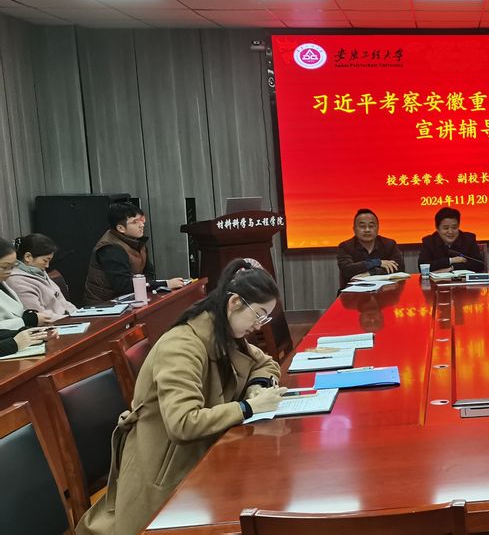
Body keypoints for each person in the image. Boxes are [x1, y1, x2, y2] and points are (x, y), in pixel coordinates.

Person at [76, 259, 287, 535]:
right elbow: (183, 423)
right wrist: (247, 407)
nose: (259, 325)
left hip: (205, 451)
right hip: (167, 469)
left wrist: (256, 387)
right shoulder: (182, 345)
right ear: (234, 303)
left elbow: (265, 363)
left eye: (265, 318)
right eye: (258, 314)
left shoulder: (224, 332)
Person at [84, 202, 184, 304]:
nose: (142, 225)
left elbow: (149, 273)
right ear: (121, 228)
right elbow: (123, 285)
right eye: (135, 222)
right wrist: (165, 284)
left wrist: (153, 286)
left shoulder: (136, 242)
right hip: (105, 305)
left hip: (129, 298)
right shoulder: (110, 248)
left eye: (141, 220)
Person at [6, 234, 77, 319]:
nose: (47, 266)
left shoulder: (39, 271)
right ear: (28, 257)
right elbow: (40, 317)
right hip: (53, 324)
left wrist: (79, 314)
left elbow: (63, 302)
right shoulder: (17, 281)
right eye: (45, 260)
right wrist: (69, 319)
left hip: (65, 319)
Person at [336, 209, 404, 288]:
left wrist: (371, 273)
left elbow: (399, 267)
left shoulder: (389, 244)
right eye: (362, 226)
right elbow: (347, 270)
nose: (367, 230)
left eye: (371, 226)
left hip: (385, 291)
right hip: (353, 292)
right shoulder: (345, 246)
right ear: (354, 229)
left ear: (377, 228)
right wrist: (377, 263)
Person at [0, 237, 55, 330]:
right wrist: (27, 321)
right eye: (5, 267)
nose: (10, 271)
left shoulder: (3, 284)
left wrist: (28, 315)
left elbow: (16, 312)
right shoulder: (15, 280)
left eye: (12, 267)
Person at [418, 207, 483, 273]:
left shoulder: (468, 239)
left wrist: (452, 268)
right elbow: (423, 266)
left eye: (454, 228)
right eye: (446, 228)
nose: (450, 232)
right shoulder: (429, 242)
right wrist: (451, 260)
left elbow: (479, 264)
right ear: (437, 228)